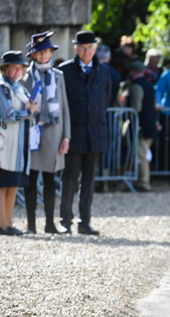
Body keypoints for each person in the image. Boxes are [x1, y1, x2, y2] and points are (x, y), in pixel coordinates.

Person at [58, 31, 112, 235]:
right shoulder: (65, 71)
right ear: (76, 49)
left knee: (89, 182)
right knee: (69, 180)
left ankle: (84, 221)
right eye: (83, 48)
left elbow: (105, 100)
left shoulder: (104, 71)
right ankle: (65, 221)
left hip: (96, 133)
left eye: (90, 47)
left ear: (95, 48)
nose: (87, 51)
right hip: (73, 134)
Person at [21, 32, 71, 234]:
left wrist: (67, 137)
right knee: (30, 180)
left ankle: (50, 223)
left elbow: (65, 108)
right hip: (32, 132)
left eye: (47, 51)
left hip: (54, 133)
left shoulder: (58, 76)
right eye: (40, 52)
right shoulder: (25, 77)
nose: (43, 55)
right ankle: (31, 224)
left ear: (51, 52)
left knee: (50, 181)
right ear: (33, 55)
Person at [0, 51, 39, 236]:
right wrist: (28, 112)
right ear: (6, 69)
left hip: (18, 145)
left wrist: (30, 110)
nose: (17, 71)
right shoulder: (2, 88)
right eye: (14, 67)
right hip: (4, 144)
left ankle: (9, 223)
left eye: (20, 67)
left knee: (13, 184)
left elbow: (28, 111)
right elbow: (7, 116)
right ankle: (2, 224)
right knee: (2, 184)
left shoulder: (19, 88)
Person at [127, 61, 158, 191]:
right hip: (150, 125)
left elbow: (136, 108)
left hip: (142, 126)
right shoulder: (150, 85)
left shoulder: (136, 86)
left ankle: (144, 182)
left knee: (141, 154)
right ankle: (141, 180)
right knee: (143, 154)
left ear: (133, 71)